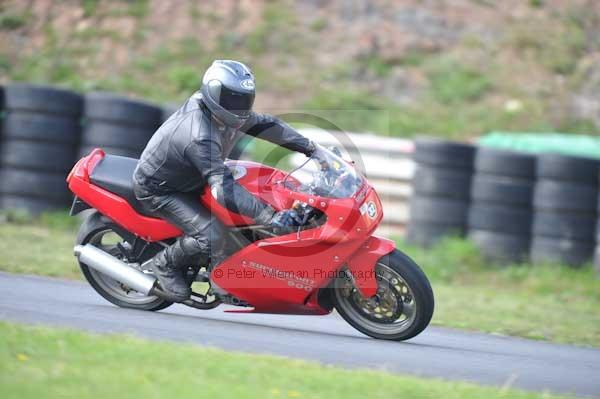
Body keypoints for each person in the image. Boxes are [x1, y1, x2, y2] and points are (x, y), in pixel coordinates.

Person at [132, 60, 315, 302]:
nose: (240, 107)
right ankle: (164, 264)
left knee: (247, 212)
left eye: (244, 99)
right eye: (232, 99)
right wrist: (270, 217)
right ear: (213, 93)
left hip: (195, 177)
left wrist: (311, 148)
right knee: (213, 235)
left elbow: (268, 125)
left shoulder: (224, 113)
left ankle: (232, 271)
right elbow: (223, 188)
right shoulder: (199, 134)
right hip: (161, 189)